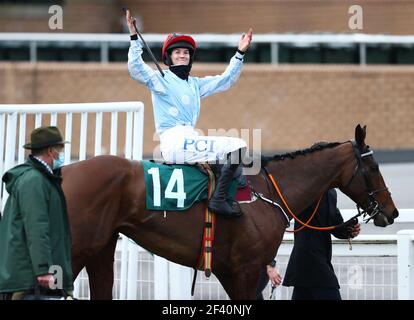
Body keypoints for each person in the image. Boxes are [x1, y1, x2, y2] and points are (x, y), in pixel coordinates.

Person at [126, 9, 252, 218]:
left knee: (229, 155)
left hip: (190, 138)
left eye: (186, 53)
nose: (182, 55)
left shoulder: (195, 84)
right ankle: (218, 201)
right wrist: (133, 36)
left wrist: (240, 53)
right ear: (169, 57)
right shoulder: (160, 79)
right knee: (237, 146)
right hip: (174, 142)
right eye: (177, 53)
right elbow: (136, 68)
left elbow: (225, 80)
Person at [0, 126, 73, 300]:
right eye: (60, 149)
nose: (62, 154)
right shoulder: (34, 180)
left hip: (34, 279)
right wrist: (44, 270)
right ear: (50, 151)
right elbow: (36, 227)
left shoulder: (42, 178)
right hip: (31, 281)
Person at [282, 189, 361, 300]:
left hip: (313, 263)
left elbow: (335, 224)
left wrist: (349, 231)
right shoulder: (307, 186)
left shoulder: (331, 192)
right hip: (311, 262)